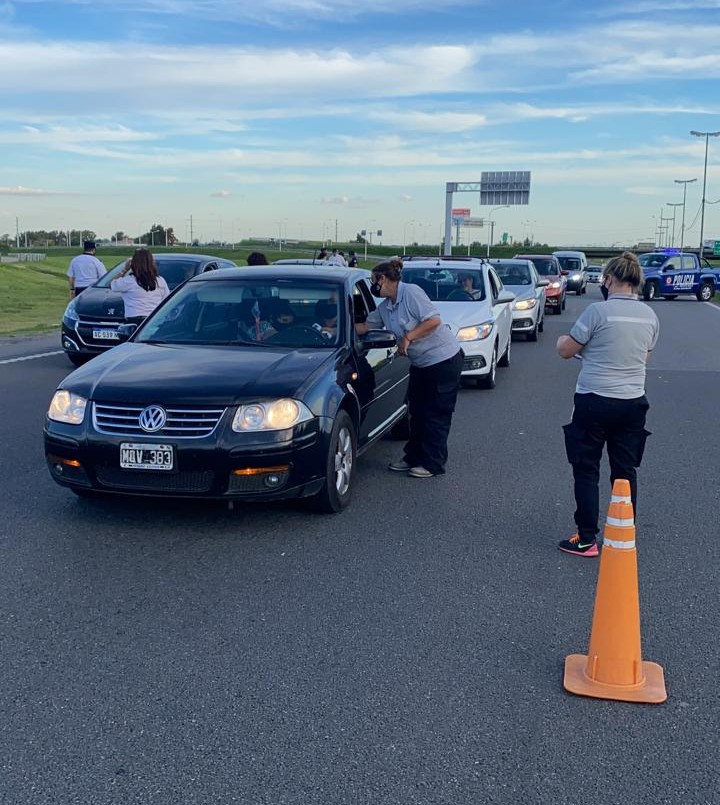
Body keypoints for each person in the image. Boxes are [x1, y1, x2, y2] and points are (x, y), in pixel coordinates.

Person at [556, 251, 659, 557]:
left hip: (594, 400)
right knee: (625, 470)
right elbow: (644, 357)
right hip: (632, 403)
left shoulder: (597, 313)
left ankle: (587, 539)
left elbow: (567, 350)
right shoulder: (650, 316)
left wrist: (566, 342)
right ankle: (622, 532)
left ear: (610, 279)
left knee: (586, 468)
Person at [356, 258, 463, 478]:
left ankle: (433, 464)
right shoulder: (386, 308)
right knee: (417, 411)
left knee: (435, 414)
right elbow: (367, 326)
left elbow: (433, 321)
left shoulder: (411, 293)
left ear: (383, 278)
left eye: (374, 280)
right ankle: (413, 457)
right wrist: (333, 328)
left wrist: (408, 337)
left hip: (443, 361)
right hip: (421, 363)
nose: (373, 285)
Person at [110, 249, 170, 324]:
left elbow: (112, 284)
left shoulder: (128, 281)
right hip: (153, 320)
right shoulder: (160, 281)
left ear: (133, 263)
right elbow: (166, 300)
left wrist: (125, 270)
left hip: (133, 320)